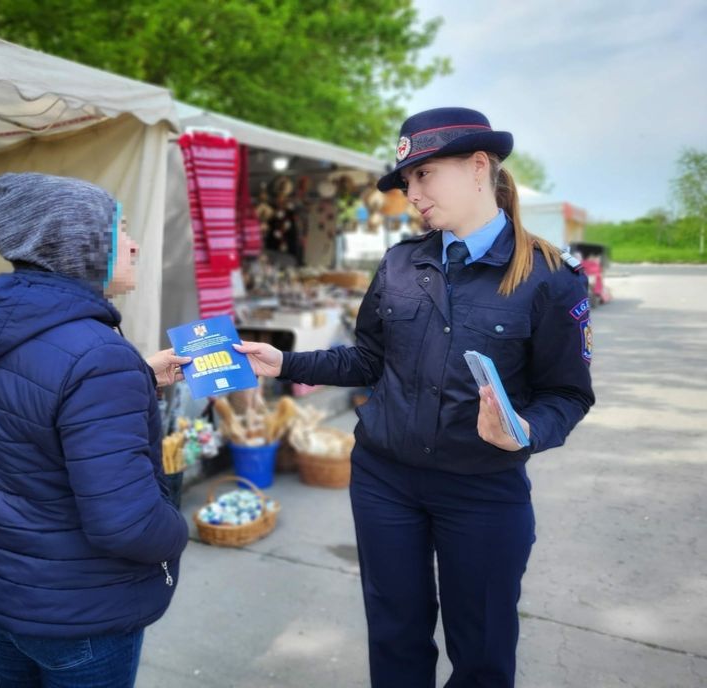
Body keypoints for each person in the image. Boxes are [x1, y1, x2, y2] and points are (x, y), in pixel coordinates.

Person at [235, 107, 595, 687]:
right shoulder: (401, 262)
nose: (412, 194)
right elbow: (369, 359)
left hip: (482, 489)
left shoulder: (550, 276)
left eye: (424, 175)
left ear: (479, 166)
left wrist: (525, 430)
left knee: (482, 649)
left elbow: (567, 394)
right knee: (395, 632)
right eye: (407, 181)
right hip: (384, 481)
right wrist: (287, 362)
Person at [0, 172, 190, 688]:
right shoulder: (98, 355)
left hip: (4, 591)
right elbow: (127, 523)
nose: (136, 243)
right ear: (78, 246)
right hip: (80, 610)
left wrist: (135, 378)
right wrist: (178, 532)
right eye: (119, 229)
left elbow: (29, 424)